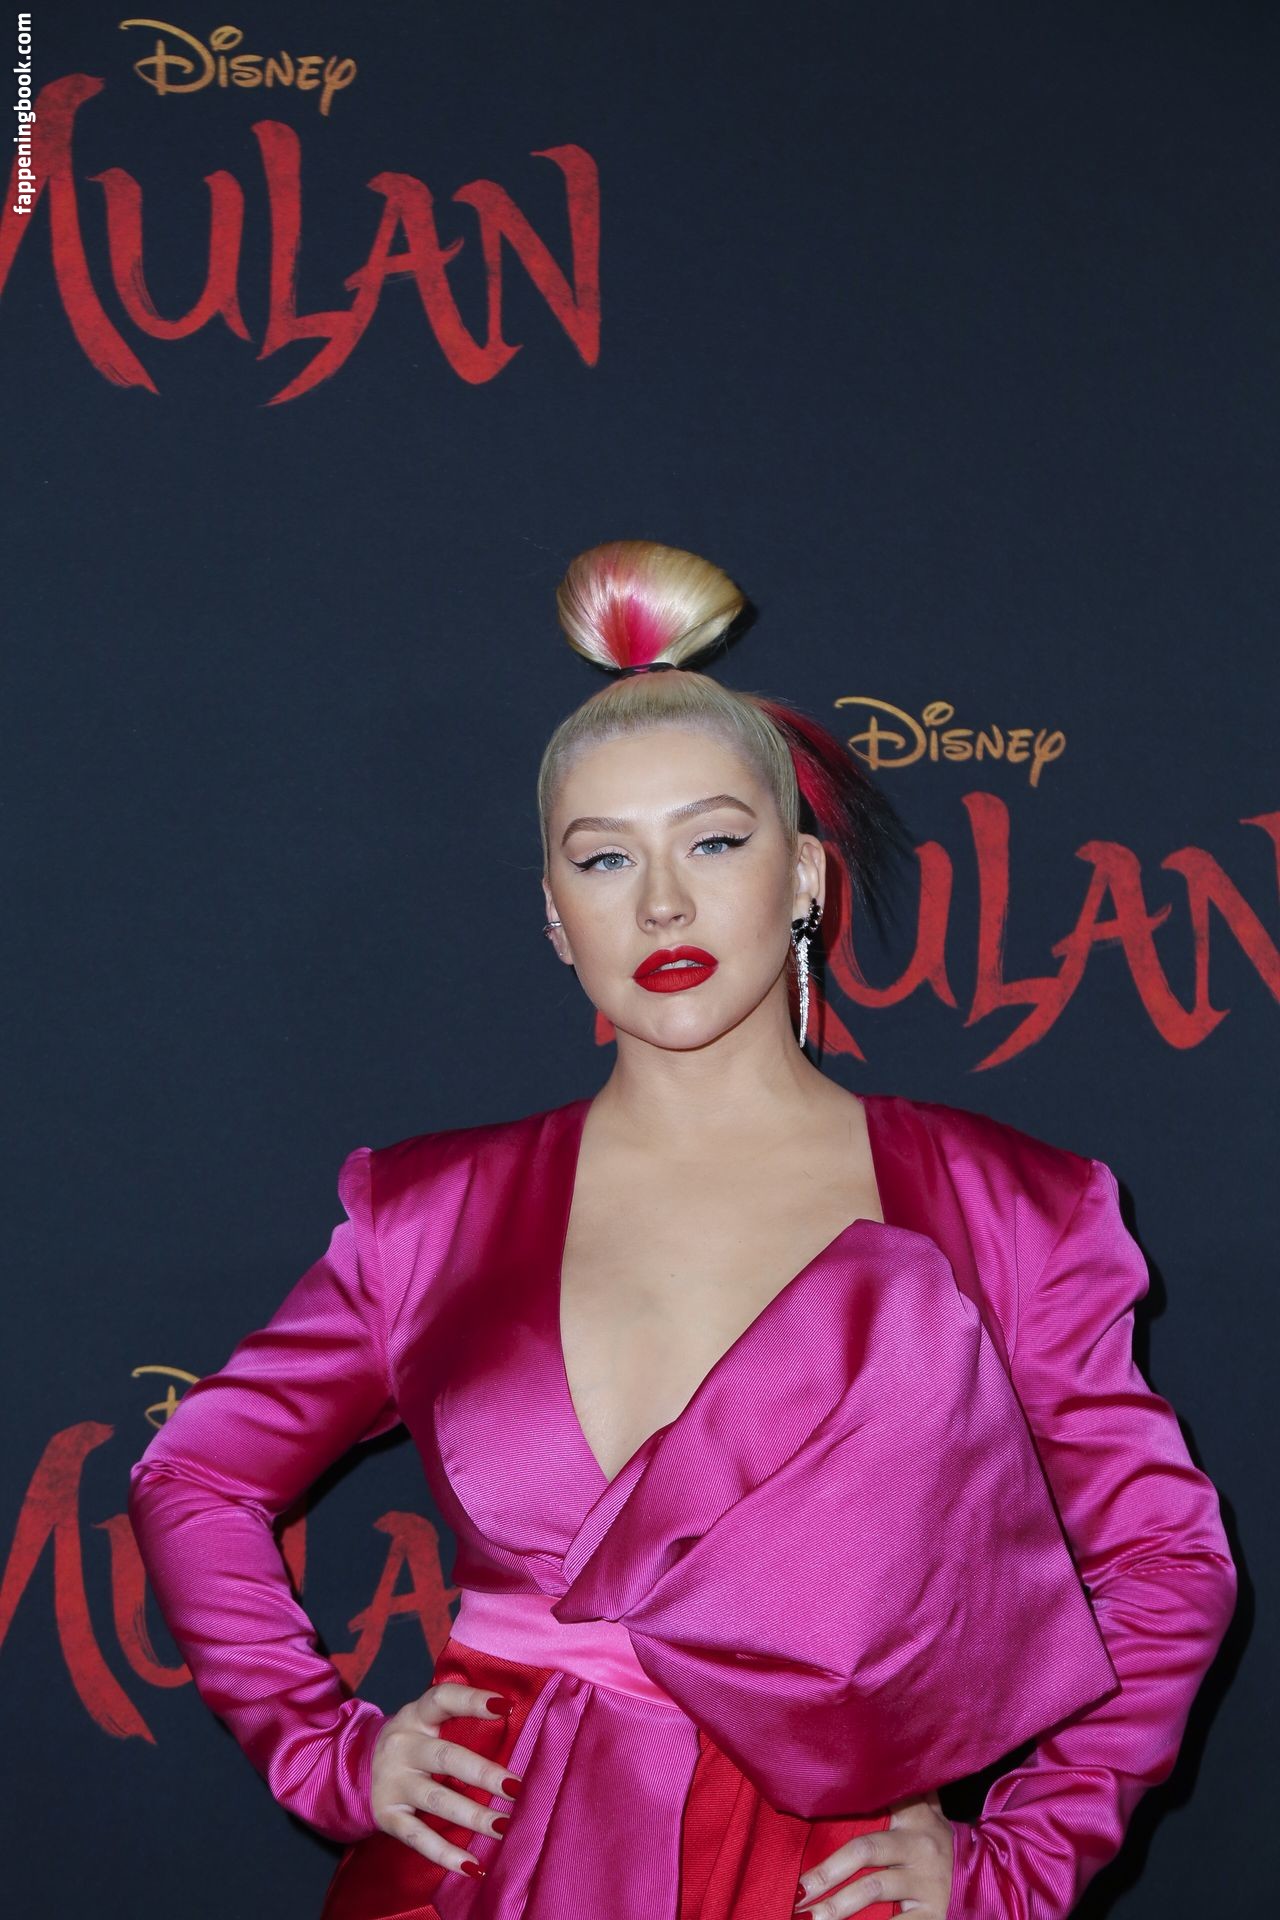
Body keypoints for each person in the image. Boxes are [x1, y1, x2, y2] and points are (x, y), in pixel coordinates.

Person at [128, 539, 1237, 1920]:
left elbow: (1164, 1560)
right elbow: (196, 1476)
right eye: (605, 859)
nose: (662, 902)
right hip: (481, 1877)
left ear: (805, 877)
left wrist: (1019, 1857)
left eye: (714, 841)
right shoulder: (430, 1215)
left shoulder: (1008, 1206)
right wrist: (327, 1752)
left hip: (822, 1882)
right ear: (555, 917)